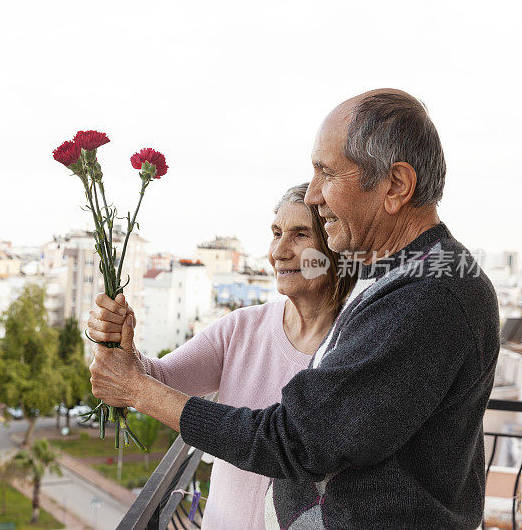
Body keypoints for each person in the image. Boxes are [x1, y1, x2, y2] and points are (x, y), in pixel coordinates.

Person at [88, 89, 500, 529]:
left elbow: (296, 442)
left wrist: (136, 388)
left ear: (396, 185)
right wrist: (127, 367)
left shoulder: (428, 295)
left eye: (326, 173)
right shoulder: (405, 279)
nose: (316, 194)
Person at [88, 183, 355, 528]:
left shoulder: (351, 347)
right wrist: (118, 343)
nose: (279, 251)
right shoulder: (240, 328)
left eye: (300, 234)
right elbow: (159, 378)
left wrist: (132, 382)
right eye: (276, 233)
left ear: (333, 248)